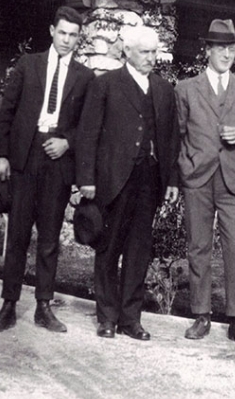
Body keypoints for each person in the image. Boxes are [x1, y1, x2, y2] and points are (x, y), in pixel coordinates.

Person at [0, 6, 94, 335]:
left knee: (48, 239)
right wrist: (1, 155)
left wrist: (67, 143)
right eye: (62, 33)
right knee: (17, 235)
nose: (67, 40)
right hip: (25, 158)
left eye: (74, 35)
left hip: (57, 163)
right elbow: (7, 112)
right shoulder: (27, 65)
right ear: (51, 31)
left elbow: (87, 126)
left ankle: (44, 306)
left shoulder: (84, 76)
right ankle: (8, 305)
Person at [76, 25, 179, 341]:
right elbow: (88, 134)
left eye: (154, 52)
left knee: (139, 251)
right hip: (112, 180)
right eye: (145, 52)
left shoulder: (163, 90)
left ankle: (130, 319)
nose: (151, 58)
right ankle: (106, 317)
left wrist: (173, 180)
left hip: (149, 180)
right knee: (108, 249)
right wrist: (86, 179)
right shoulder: (106, 84)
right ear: (127, 52)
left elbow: (172, 139)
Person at [175, 19, 235, 346]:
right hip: (197, 178)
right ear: (207, 50)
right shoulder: (185, 88)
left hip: (234, 180)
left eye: (232, 48)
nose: (227, 54)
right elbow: (178, 134)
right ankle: (201, 316)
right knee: (198, 248)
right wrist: (181, 172)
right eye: (221, 48)